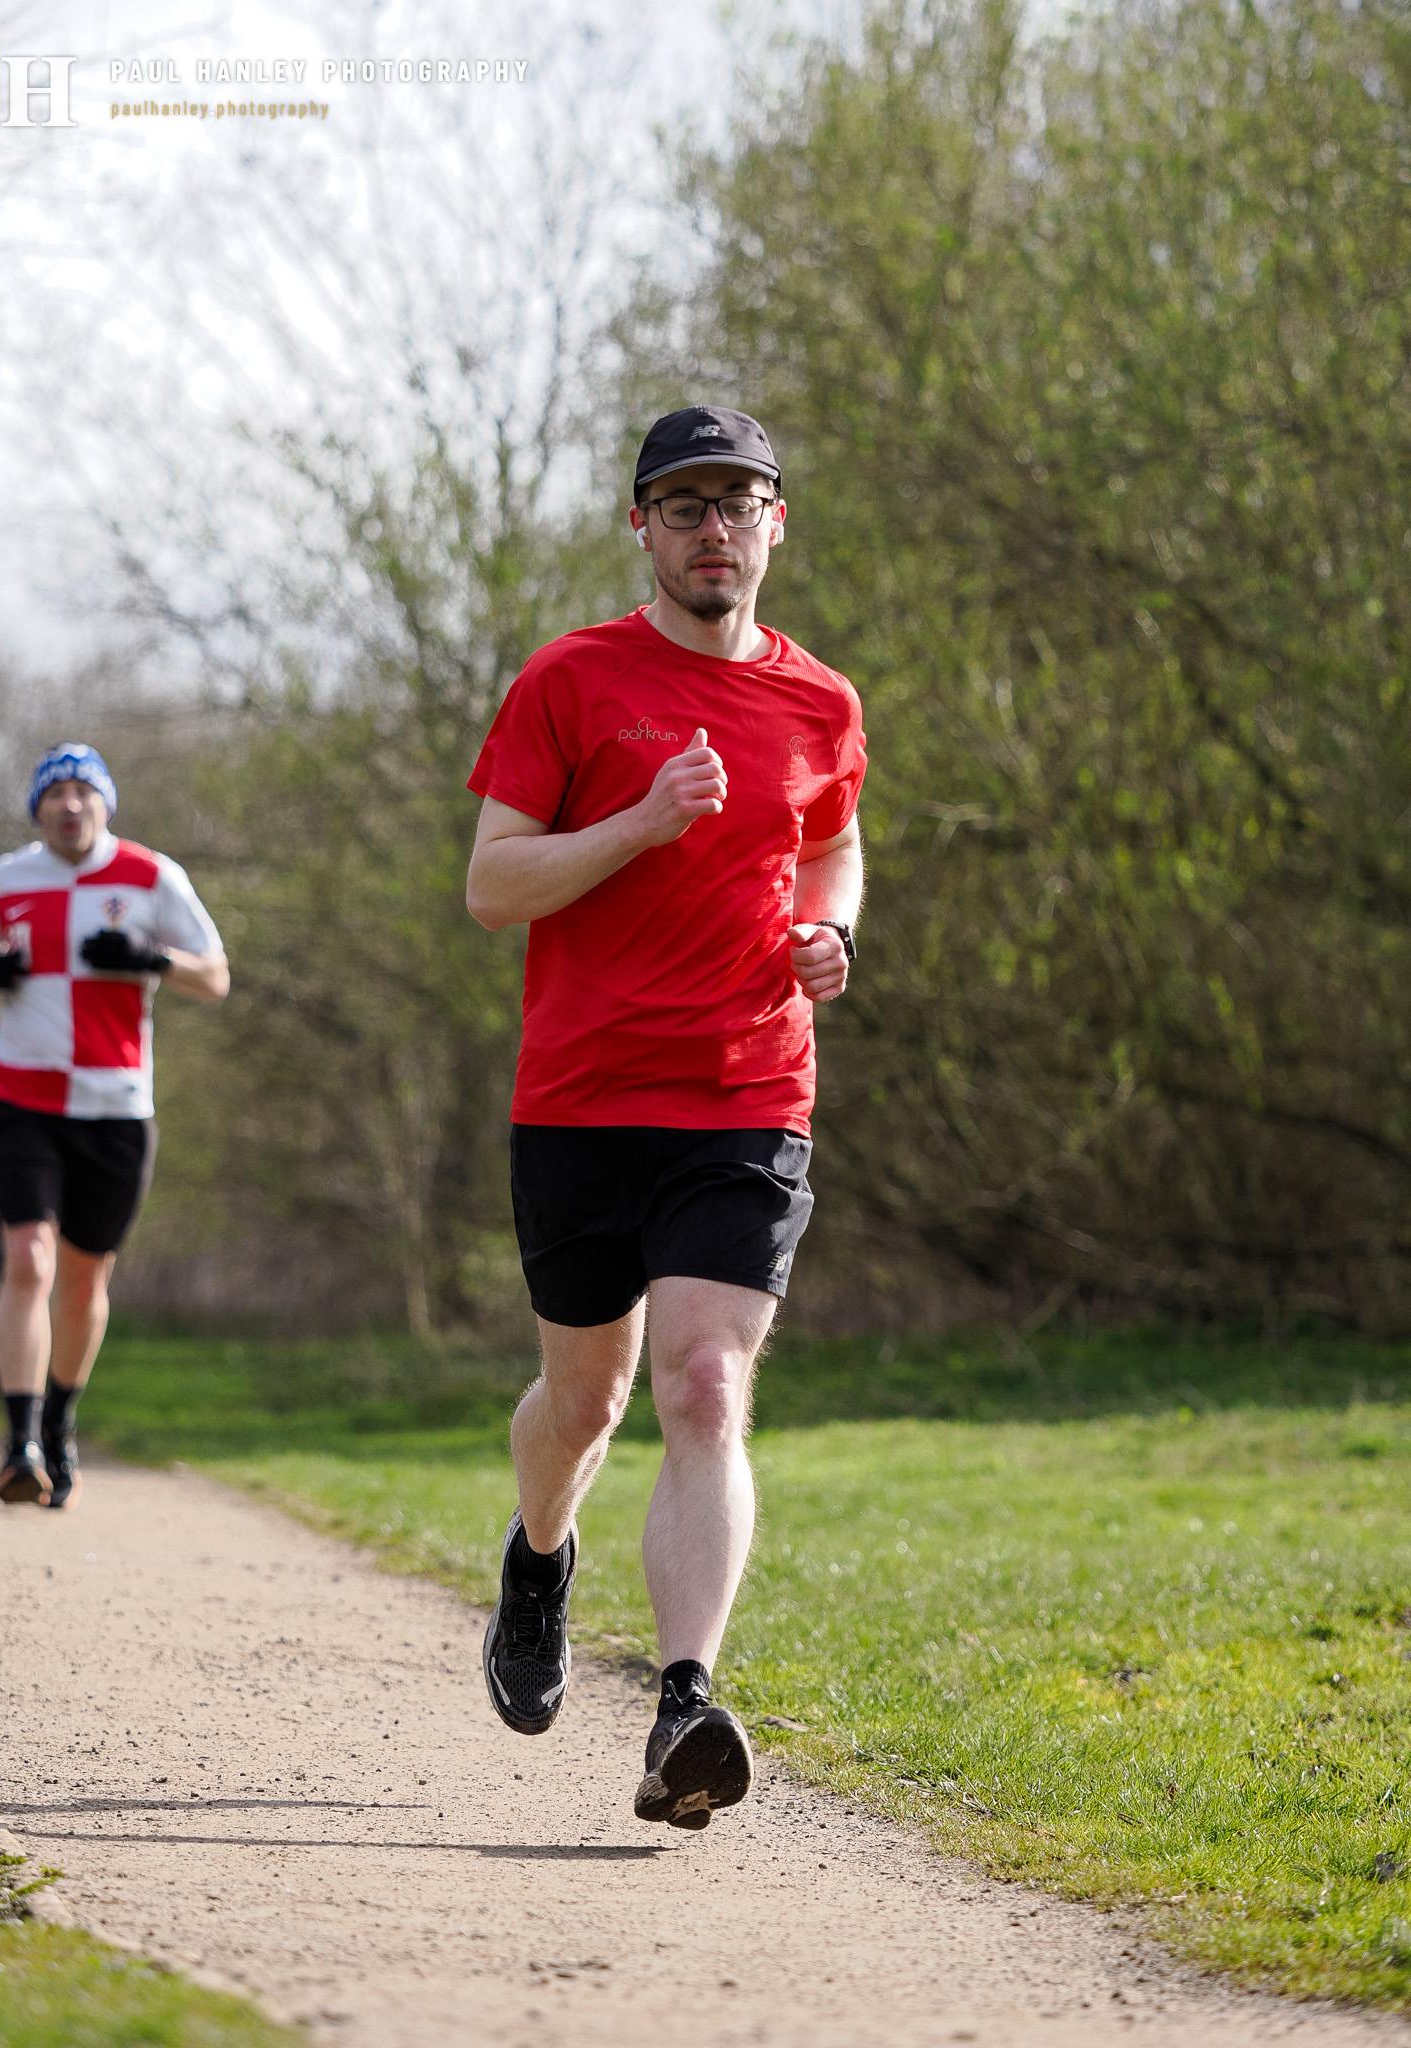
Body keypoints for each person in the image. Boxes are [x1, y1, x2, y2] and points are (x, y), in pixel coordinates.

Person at [465, 405, 865, 1831]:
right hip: (579, 1098)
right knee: (587, 1399)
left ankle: (686, 1703)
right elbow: (494, 885)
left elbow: (831, 840)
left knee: (705, 1387)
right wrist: (636, 823)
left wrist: (831, 934)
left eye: (737, 502)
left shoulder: (822, 701)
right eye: (684, 504)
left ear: (775, 521)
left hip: (749, 1088)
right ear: (642, 526)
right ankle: (538, 1552)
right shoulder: (572, 683)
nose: (714, 528)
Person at [0, 744, 229, 1510]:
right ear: (37, 808)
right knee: (28, 1262)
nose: (70, 805)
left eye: (83, 792)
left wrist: (154, 958)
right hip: (22, 1097)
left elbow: (217, 975)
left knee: (82, 1280)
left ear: (105, 802)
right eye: (55, 793)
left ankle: (61, 1422)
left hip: (115, 1105)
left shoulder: (152, 875)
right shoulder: (6, 878)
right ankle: (19, 1442)